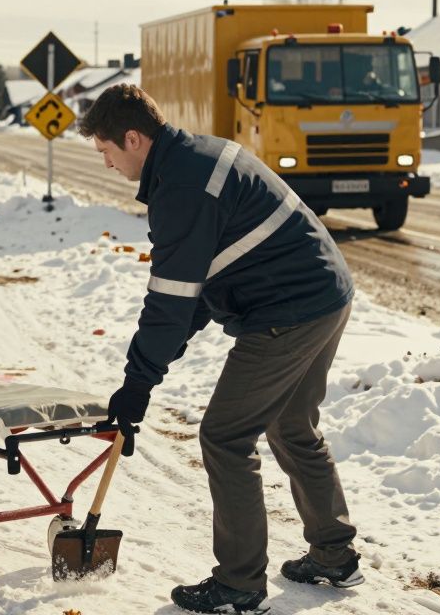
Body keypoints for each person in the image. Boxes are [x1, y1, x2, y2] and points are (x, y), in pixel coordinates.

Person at [79, 84, 361, 614]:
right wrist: (153, 367)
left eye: (106, 151)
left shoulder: (181, 187)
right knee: (292, 423)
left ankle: (238, 584)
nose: (107, 164)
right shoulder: (195, 157)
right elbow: (199, 288)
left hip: (288, 309)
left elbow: (169, 299)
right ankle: (334, 554)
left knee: (225, 436)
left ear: (134, 139)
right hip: (324, 293)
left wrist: (138, 382)